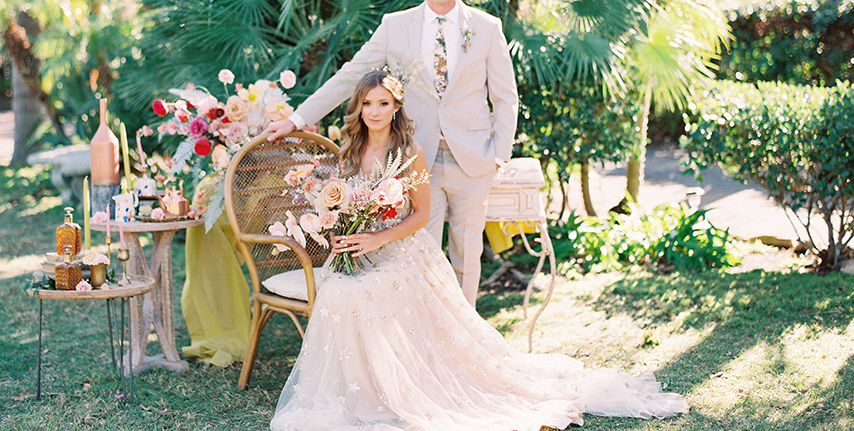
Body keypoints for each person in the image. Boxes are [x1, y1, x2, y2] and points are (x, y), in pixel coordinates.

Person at [270, 71, 688, 431]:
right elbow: (343, 206)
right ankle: (359, 389)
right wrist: (343, 233)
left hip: (401, 252)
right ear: (358, 108)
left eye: (383, 103)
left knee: (359, 293)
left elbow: (420, 216)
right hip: (362, 250)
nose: (375, 111)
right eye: (367, 103)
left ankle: (388, 392)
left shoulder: (410, 152)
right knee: (338, 291)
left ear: (397, 107)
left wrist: (377, 239)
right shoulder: (351, 151)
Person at [267, 0, 518, 306]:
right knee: (419, 259)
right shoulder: (395, 26)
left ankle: (464, 339)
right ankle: (426, 338)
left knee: (467, 256)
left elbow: (506, 96)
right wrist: (297, 118)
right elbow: (350, 75)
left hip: (473, 159)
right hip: (415, 161)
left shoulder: (486, 27)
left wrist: (500, 155)